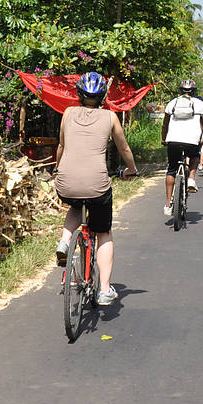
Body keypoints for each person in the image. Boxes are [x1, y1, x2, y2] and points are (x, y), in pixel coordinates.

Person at [54, 71, 137, 306]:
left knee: (75, 204)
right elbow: (124, 149)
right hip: (97, 186)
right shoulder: (110, 117)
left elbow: (61, 145)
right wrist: (131, 169)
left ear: (79, 94)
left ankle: (64, 242)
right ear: (102, 96)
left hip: (66, 181)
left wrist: (58, 169)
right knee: (103, 233)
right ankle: (103, 290)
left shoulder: (68, 113)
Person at [161, 79, 203, 216]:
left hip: (173, 140)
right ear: (194, 91)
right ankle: (191, 178)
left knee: (171, 169)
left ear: (180, 91)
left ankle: (168, 205)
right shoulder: (199, 104)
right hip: (192, 141)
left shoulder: (172, 102)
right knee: (194, 156)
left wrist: (164, 139)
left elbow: (165, 124)